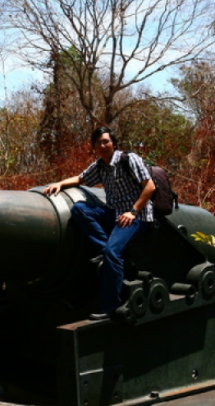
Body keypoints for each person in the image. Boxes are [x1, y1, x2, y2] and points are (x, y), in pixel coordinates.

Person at [43, 127, 155, 320]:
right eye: (98, 143)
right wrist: (60, 183)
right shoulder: (101, 165)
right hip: (114, 211)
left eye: (106, 141)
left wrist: (133, 211)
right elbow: (81, 178)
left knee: (114, 253)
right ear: (94, 147)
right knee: (80, 209)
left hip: (137, 214)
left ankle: (111, 305)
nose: (102, 146)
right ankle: (104, 251)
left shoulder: (129, 159)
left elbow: (150, 186)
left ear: (113, 142)